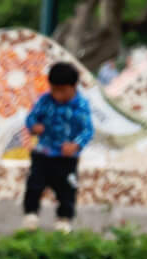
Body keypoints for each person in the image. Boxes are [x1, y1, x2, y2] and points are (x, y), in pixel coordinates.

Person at [23, 63, 94, 233]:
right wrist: (34, 127)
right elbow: (31, 118)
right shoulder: (45, 100)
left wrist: (76, 145)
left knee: (67, 190)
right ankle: (30, 215)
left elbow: (87, 130)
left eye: (62, 91)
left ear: (73, 87)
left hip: (66, 158)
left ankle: (64, 220)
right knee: (34, 185)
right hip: (43, 153)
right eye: (54, 90)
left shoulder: (81, 106)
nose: (57, 95)